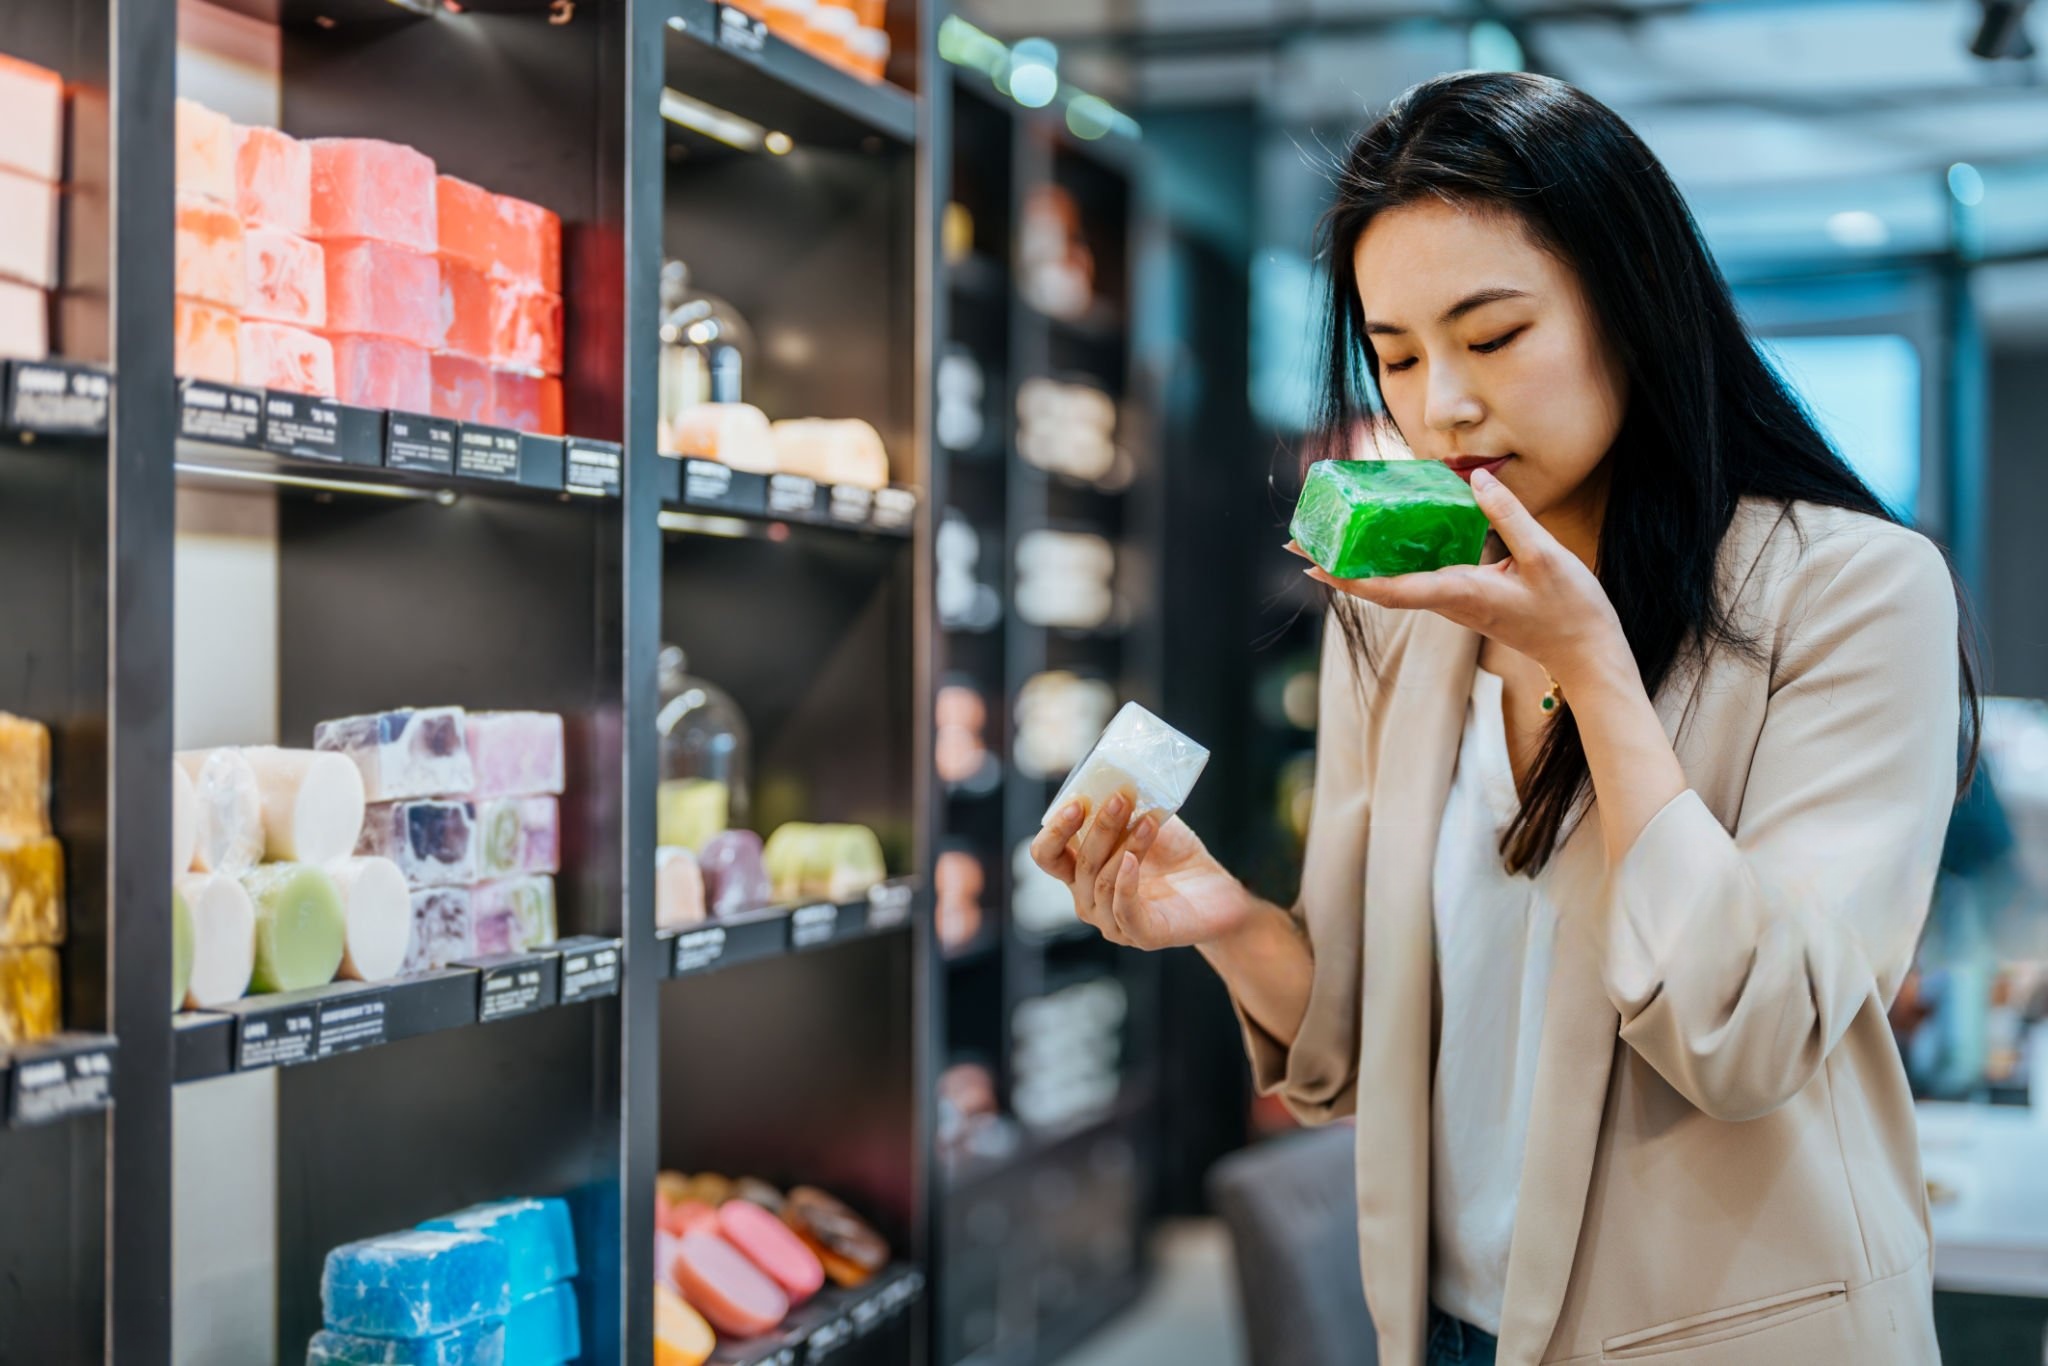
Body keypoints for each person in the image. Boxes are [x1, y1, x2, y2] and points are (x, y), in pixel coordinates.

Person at [1031, 71, 1979, 1366]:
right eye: (1401, 353)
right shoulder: (1405, 609)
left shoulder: (1856, 591)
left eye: (1492, 335)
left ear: (1632, 310)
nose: (1444, 406)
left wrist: (1592, 662)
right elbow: (1379, 1059)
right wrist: (1234, 924)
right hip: (1450, 1324)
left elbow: (1749, 1031)